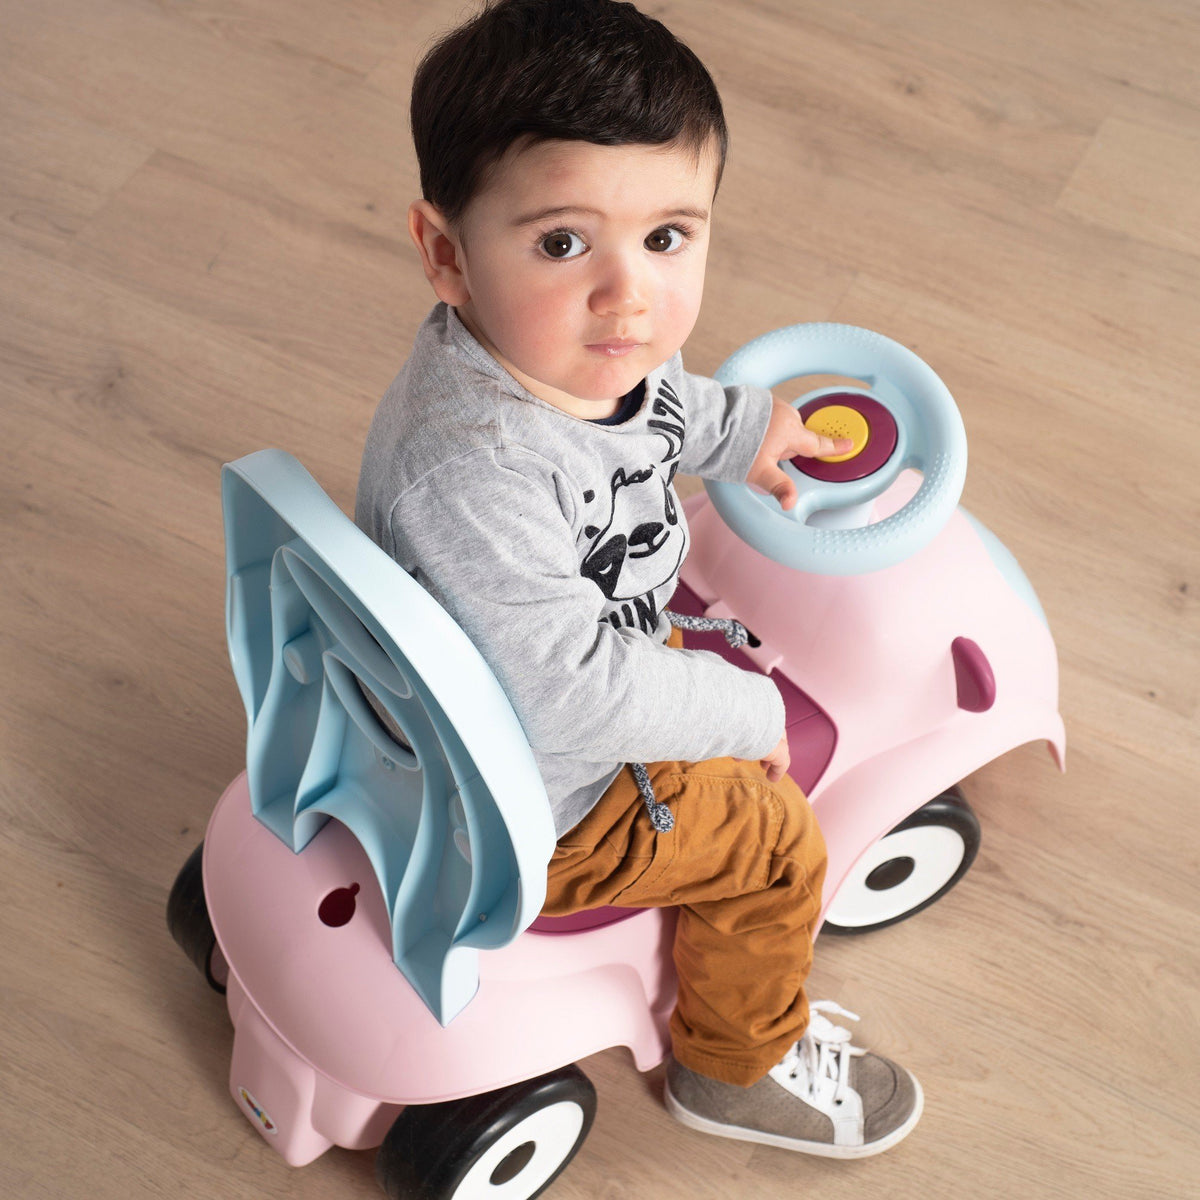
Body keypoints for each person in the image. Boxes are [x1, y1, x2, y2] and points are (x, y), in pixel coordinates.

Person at [357, 0, 922, 1158]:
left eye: (667, 237)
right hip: (549, 797)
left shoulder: (558, 351)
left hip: (541, 674)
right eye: (564, 244)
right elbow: (572, 697)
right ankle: (734, 1066)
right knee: (774, 840)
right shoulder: (478, 471)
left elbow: (649, 401)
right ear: (446, 252)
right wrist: (746, 714)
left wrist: (747, 428)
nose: (630, 297)